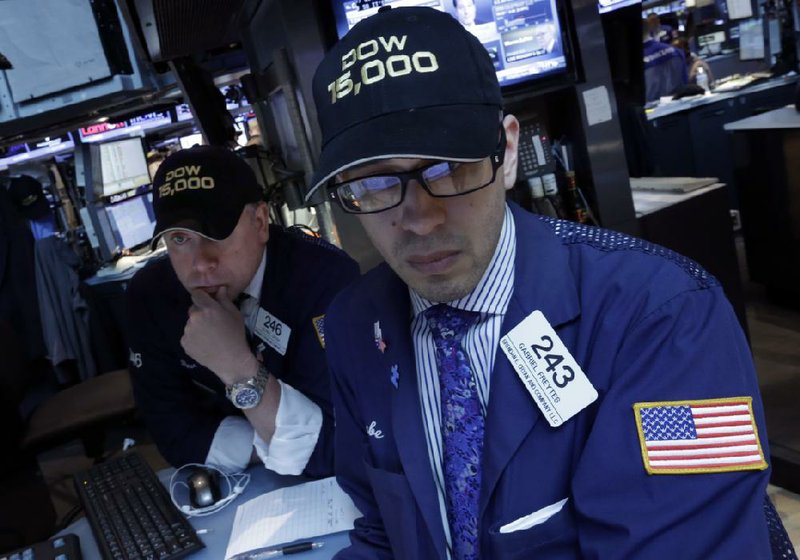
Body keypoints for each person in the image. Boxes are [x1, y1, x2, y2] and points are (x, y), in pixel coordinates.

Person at [308, 6, 778, 559]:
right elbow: (381, 530)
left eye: (449, 168)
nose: (418, 218)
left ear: (507, 153)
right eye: (375, 184)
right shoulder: (355, 326)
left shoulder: (662, 319)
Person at [127, 146, 359, 477]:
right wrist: (275, 439)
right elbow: (172, 434)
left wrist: (237, 369)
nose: (201, 263)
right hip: (244, 491)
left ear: (261, 222)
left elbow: (337, 445)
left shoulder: (326, 281)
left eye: (216, 233)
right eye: (179, 239)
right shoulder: (151, 297)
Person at [643, 20, 687, 101]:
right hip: (681, 105)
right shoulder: (676, 51)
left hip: (654, 112)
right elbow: (685, 81)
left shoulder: (632, 64)